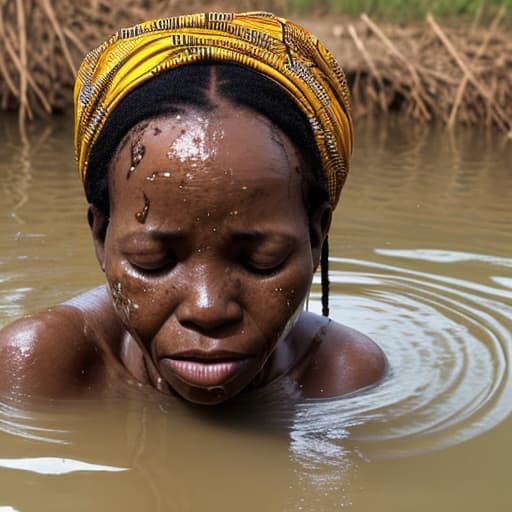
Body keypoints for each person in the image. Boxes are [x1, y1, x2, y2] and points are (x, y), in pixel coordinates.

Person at [0, 12, 385, 404]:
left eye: (262, 260)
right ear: (100, 237)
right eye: (152, 261)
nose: (207, 309)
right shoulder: (37, 369)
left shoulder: (346, 379)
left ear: (316, 236)